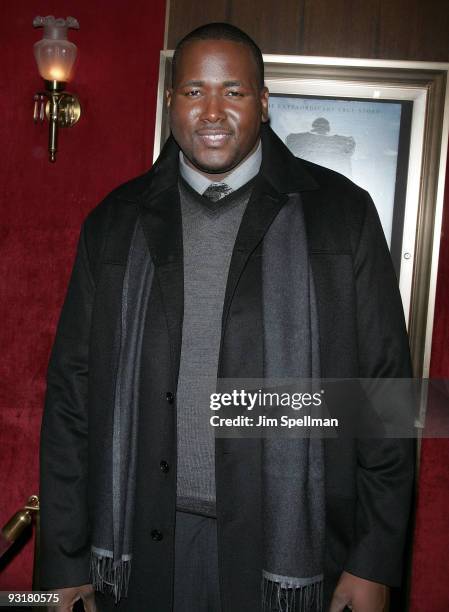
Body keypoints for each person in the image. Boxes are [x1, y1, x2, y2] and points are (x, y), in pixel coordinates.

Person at [39, 23, 414, 612]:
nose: (212, 111)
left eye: (233, 92)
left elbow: (388, 399)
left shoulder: (342, 216)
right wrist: (62, 558)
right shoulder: (114, 222)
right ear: (170, 104)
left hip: (294, 556)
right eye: (193, 92)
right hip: (143, 548)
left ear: (264, 103)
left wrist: (374, 560)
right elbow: (70, 399)